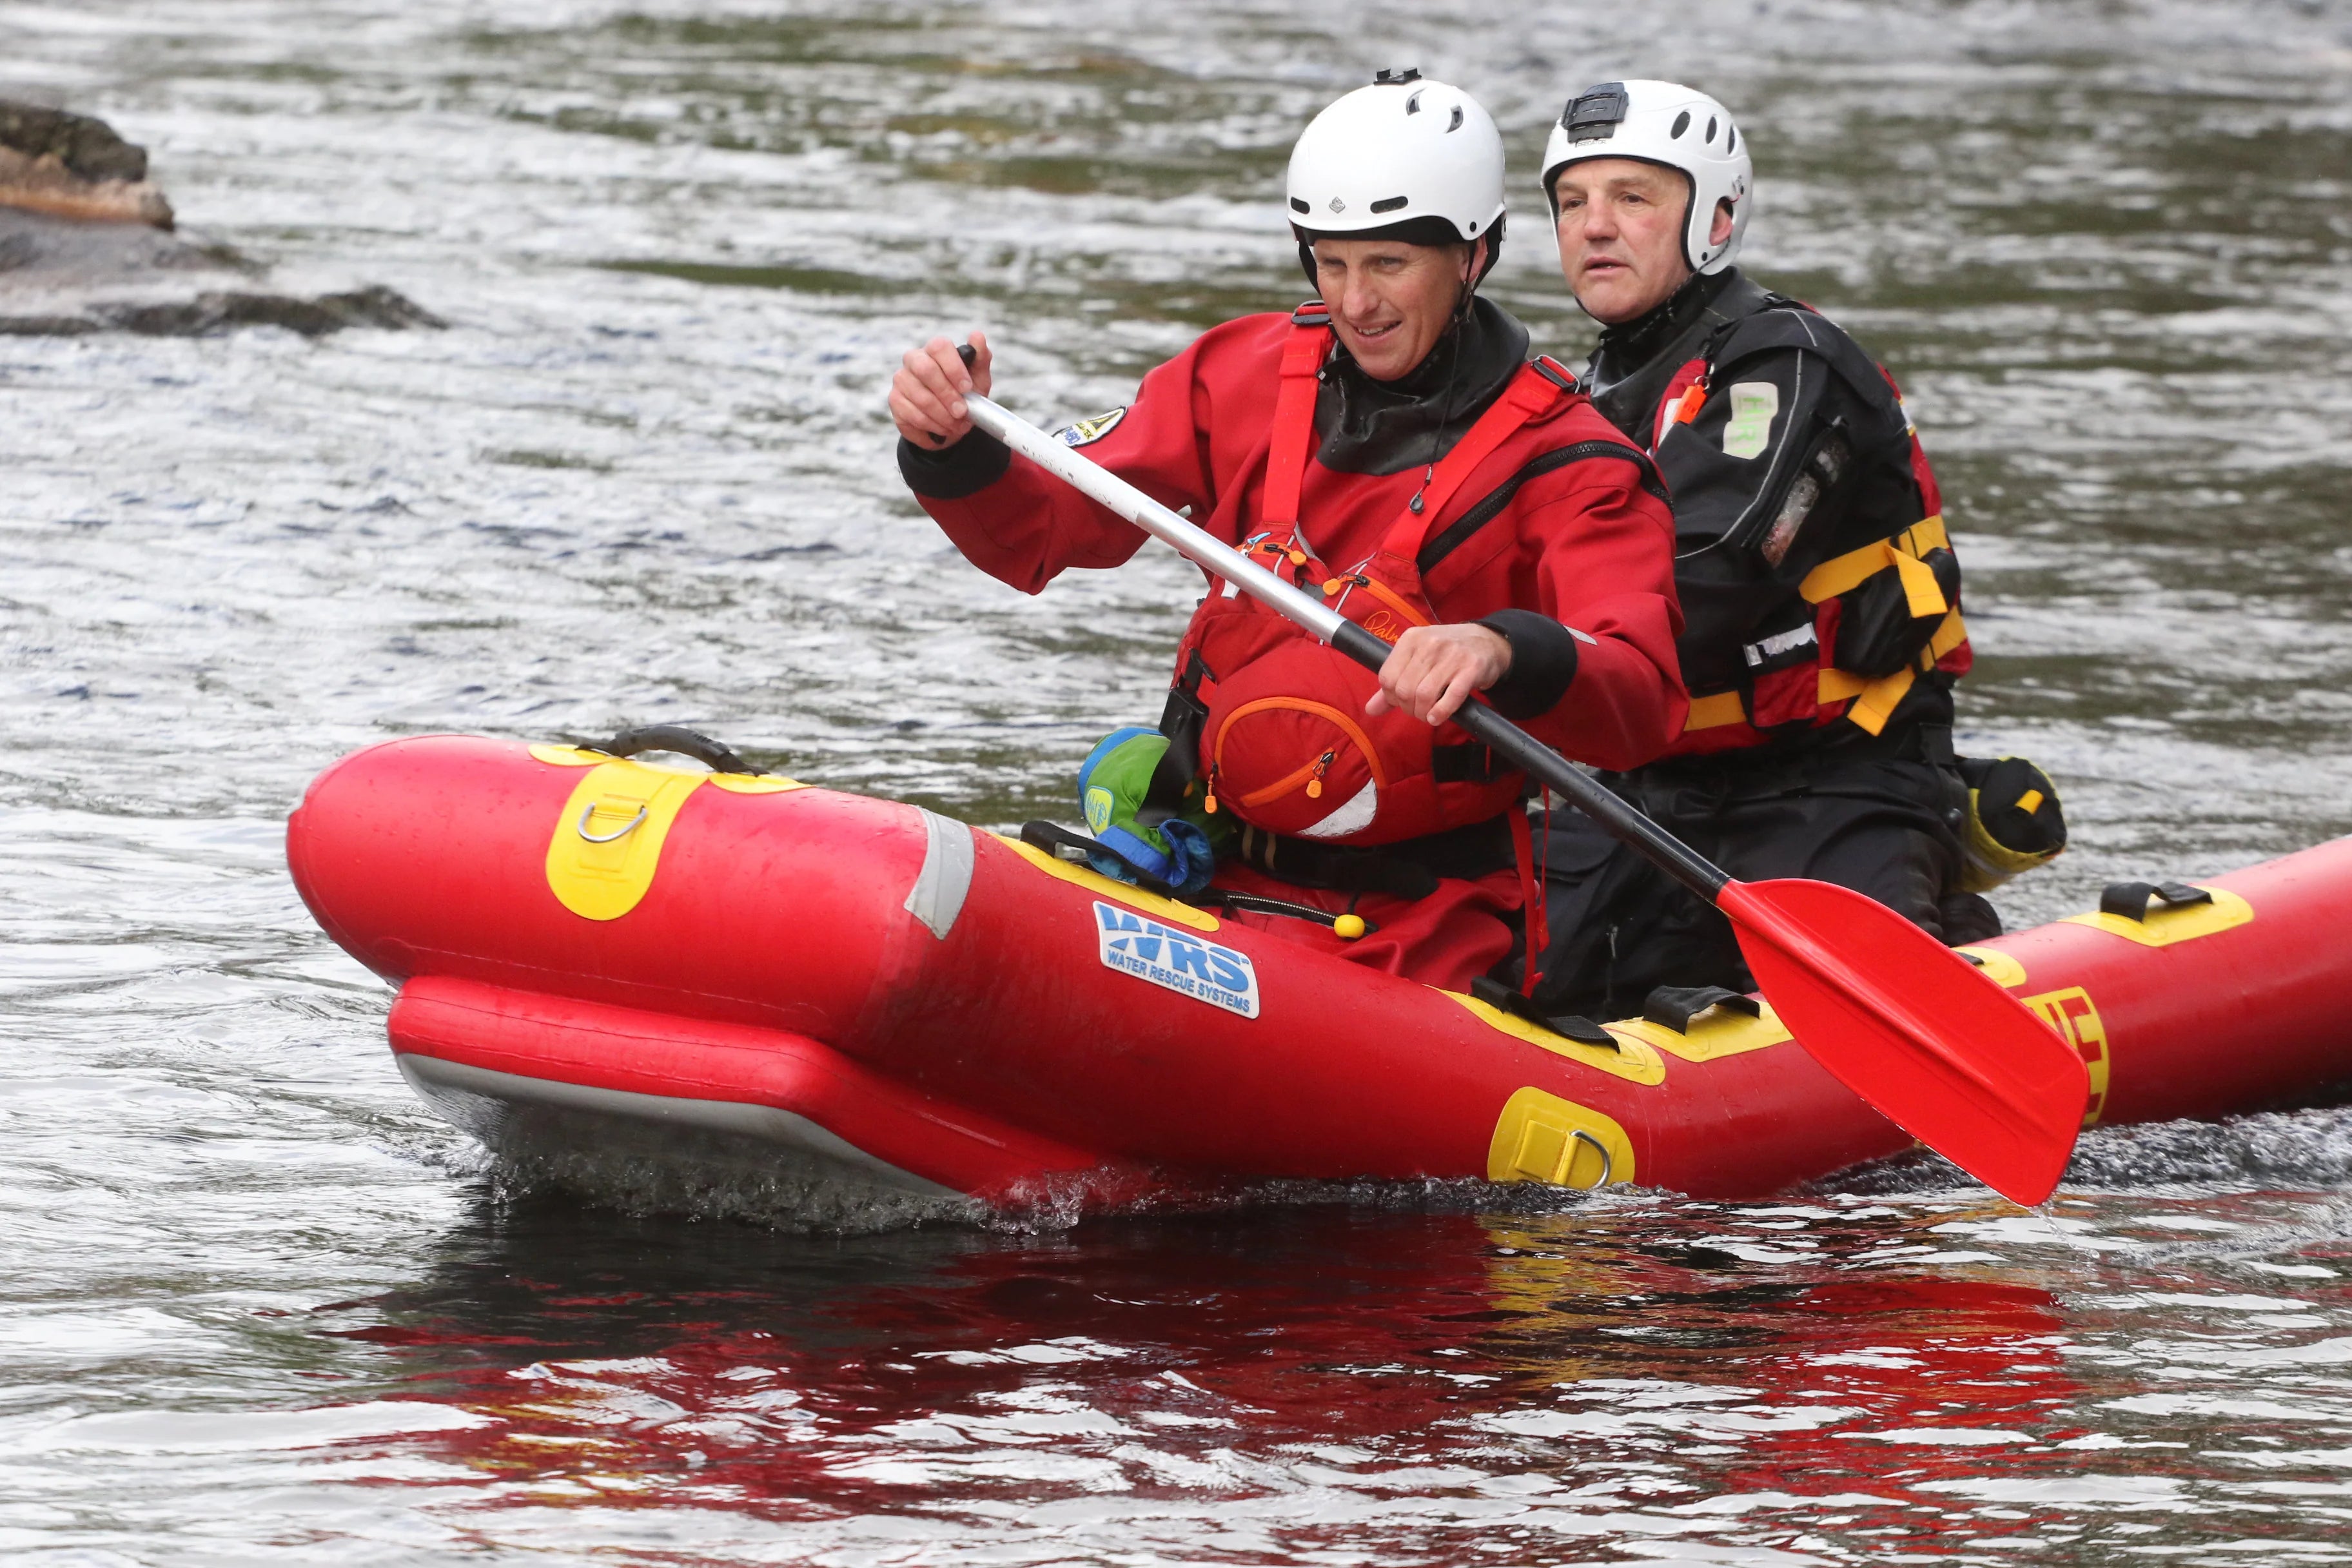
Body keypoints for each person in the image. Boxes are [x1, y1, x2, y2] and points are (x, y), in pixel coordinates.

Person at [888, 70, 1687, 995]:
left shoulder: (1572, 460)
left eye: (1388, 264)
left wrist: (1504, 646)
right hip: (1200, 863)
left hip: (1423, 918)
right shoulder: (1244, 372)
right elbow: (1048, 530)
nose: (1356, 302)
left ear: (1473, 256)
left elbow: (1640, 693)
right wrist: (950, 450)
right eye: (1332, 262)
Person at [1509, 79, 2066, 1023]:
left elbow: (1706, 582)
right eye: (1573, 202)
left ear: (1716, 217)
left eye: (1633, 197)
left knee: (1860, 1022)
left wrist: (1509, 652)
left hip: (1834, 775)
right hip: (1651, 786)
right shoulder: (1574, 398)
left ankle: (1952, 930)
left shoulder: (1787, 364)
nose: (1595, 226)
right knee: (1503, 972)